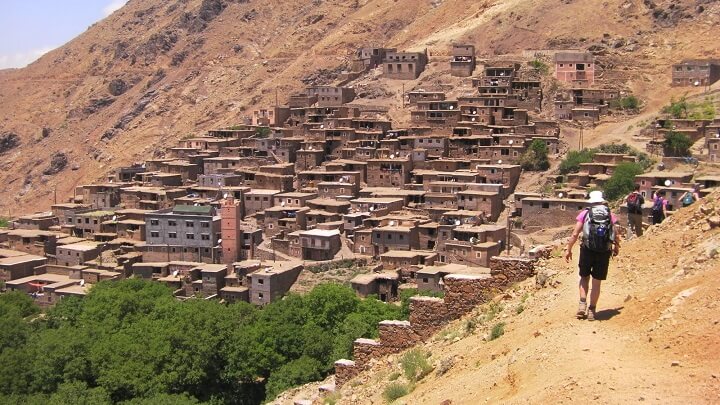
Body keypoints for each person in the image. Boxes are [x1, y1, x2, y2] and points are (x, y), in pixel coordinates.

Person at [564, 191, 620, 321]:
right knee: (596, 282)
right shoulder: (610, 214)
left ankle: (582, 305)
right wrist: (616, 247)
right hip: (604, 251)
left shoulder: (585, 213)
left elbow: (575, 233)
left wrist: (569, 249)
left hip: (587, 249)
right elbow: (616, 233)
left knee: (584, 277)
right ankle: (592, 311)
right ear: (601, 201)